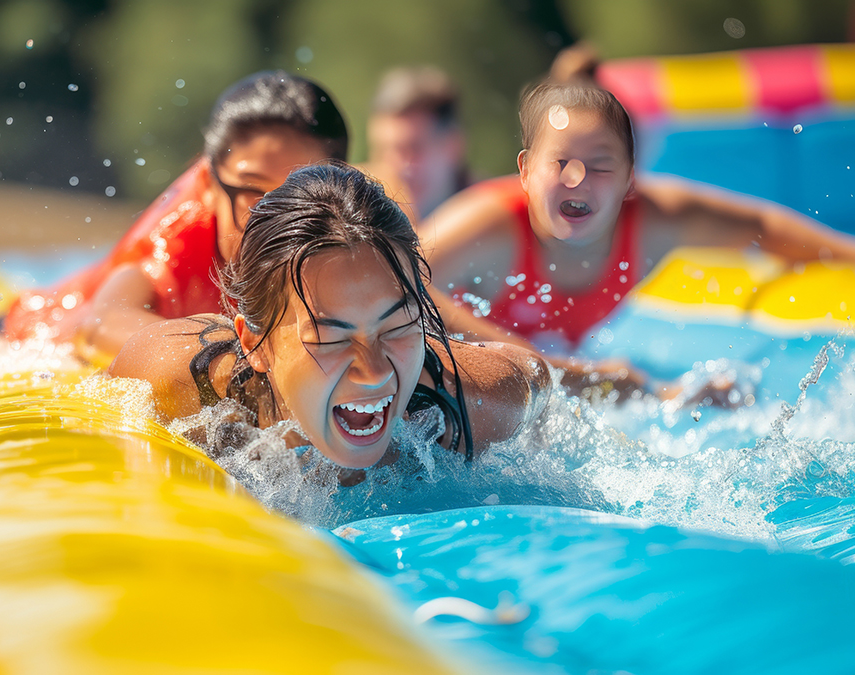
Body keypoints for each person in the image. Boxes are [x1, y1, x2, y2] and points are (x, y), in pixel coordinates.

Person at [109, 162, 550, 472]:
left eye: (397, 327)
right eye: (330, 339)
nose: (375, 372)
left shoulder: (462, 410)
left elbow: (535, 377)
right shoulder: (183, 386)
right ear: (253, 344)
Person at [419, 79, 855, 351]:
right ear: (526, 171)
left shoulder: (653, 221)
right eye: (559, 163)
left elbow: (761, 228)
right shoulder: (489, 225)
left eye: (601, 165)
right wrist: (537, 364)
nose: (577, 178)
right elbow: (400, 279)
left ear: (630, 180)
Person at [4, 71, 348, 359]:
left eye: (296, 196)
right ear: (208, 183)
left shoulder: (342, 238)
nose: (276, 222)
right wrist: (237, 353)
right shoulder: (179, 243)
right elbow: (101, 323)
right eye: (253, 195)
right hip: (49, 322)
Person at [363, 66, 469, 224]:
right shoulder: (355, 208)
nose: (395, 165)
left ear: (453, 146)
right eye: (383, 149)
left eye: (413, 148)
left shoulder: (499, 218)